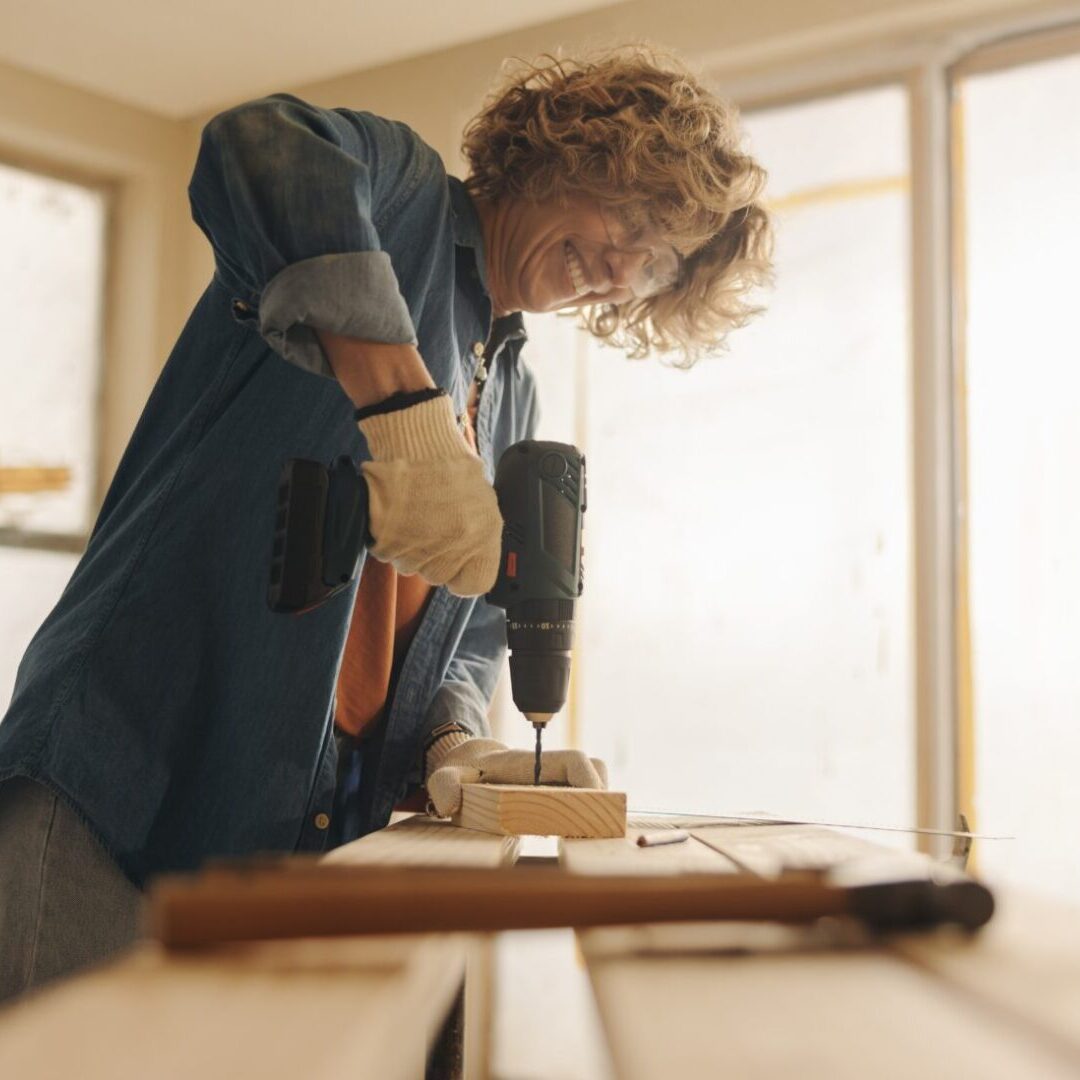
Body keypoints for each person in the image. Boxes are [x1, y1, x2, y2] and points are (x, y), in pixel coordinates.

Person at [0, 47, 771, 1000]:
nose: (623, 269)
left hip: (293, 832)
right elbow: (255, 149)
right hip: (120, 784)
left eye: (658, 262)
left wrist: (456, 744)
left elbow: (468, 630)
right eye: (634, 220)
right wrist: (404, 413)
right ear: (565, 158)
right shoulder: (402, 202)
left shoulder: (512, 388)